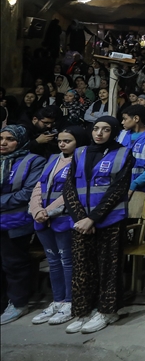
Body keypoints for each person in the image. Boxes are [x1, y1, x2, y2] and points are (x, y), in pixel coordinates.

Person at [62, 116, 133, 334]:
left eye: (105, 129)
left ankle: (107, 311)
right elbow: (69, 187)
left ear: (113, 132)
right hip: (81, 221)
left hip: (109, 220)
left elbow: (118, 189)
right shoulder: (81, 152)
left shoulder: (123, 153)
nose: (99, 133)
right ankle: (83, 312)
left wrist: (93, 218)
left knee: (107, 268)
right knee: (83, 267)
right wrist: (80, 218)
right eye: (95, 129)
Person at [29, 126, 88, 325]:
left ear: (78, 142)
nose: (62, 144)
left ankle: (70, 302)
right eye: (60, 141)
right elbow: (39, 185)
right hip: (42, 218)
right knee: (52, 262)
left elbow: (71, 192)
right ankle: (58, 300)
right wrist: (36, 208)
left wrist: (49, 211)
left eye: (68, 141)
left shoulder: (80, 160)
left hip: (62, 217)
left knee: (67, 261)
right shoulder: (53, 159)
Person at [0, 124, 46, 325]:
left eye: (10, 139)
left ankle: (18, 303)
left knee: (14, 264)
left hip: (16, 221)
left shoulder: (34, 161)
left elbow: (27, 193)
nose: (3, 143)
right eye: (1, 138)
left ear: (21, 140)